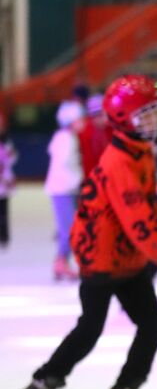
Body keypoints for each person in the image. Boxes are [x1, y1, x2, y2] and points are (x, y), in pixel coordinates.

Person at [7, 76, 157, 389]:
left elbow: (148, 213)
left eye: (156, 113)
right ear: (123, 119)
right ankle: (39, 387)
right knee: (90, 329)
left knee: (151, 323)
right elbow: (142, 226)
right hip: (100, 260)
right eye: (147, 115)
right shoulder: (120, 163)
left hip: (126, 260)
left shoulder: (140, 152)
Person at [46, 100, 85, 281]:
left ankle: (62, 262)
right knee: (68, 229)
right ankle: (61, 262)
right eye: (80, 119)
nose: (83, 122)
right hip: (63, 189)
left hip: (65, 188)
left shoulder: (66, 137)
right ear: (71, 120)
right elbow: (64, 163)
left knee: (69, 228)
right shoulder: (66, 138)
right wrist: (78, 178)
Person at [0, 110, 15, 249]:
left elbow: (11, 157)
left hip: (3, 182)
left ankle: (4, 237)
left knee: (4, 211)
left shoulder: (6, 139)